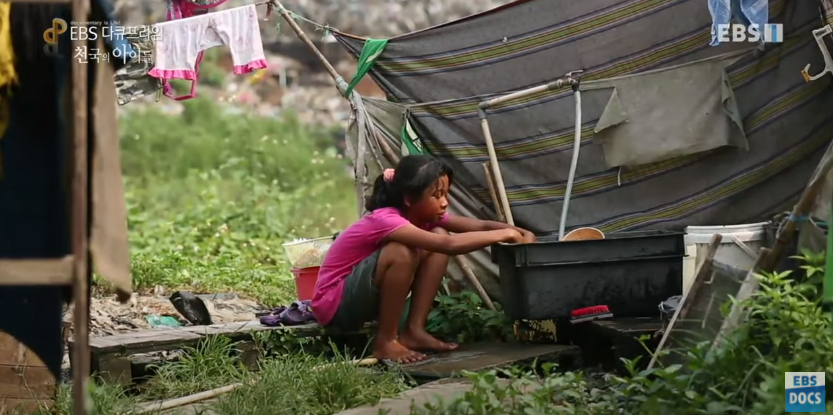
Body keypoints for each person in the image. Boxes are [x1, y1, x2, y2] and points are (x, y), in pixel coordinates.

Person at [311, 155, 536, 363]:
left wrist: (519, 231)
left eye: (446, 194)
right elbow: (450, 246)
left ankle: (414, 331)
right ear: (409, 198)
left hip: (361, 299)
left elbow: (480, 226)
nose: (444, 202)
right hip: (335, 304)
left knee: (438, 234)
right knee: (402, 251)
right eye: (436, 195)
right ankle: (386, 342)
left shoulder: (423, 215)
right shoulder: (386, 220)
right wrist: (506, 235)